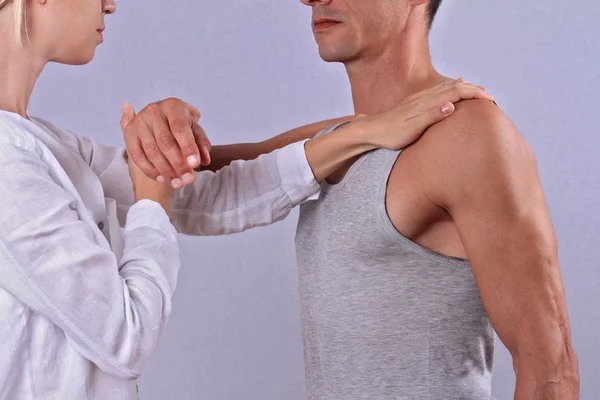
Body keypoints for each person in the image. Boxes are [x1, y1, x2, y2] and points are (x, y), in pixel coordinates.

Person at [0, 0, 491, 399]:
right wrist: (152, 202)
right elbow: (124, 339)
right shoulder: (7, 166)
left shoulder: (45, 145)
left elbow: (213, 197)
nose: (109, 5)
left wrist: (362, 131)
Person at [126, 1, 580, 399]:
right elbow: (171, 182)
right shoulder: (335, 142)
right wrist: (158, 126)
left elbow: (551, 371)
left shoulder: (469, 135)